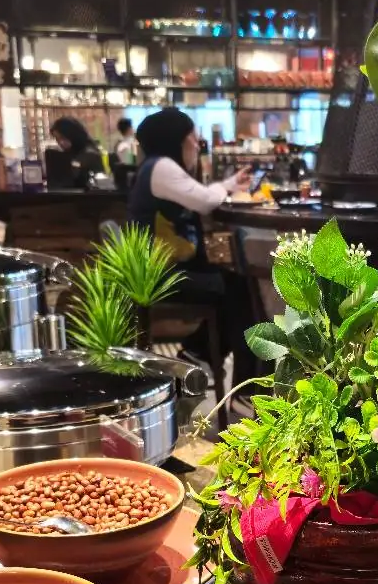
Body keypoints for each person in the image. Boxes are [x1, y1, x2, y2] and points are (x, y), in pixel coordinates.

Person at [127, 107, 256, 387]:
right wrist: (230, 186)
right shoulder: (161, 166)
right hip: (160, 275)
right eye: (192, 138)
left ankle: (200, 354)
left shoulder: (155, 165)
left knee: (237, 287)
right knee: (242, 291)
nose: (197, 145)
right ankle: (240, 381)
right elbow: (207, 201)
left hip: (162, 270)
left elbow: (205, 196)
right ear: (175, 140)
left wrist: (230, 183)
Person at [45, 117, 104, 190]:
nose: (60, 142)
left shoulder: (89, 153)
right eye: (57, 139)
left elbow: (74, 173)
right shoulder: (71, 152)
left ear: (73, 135)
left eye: (63, 138)